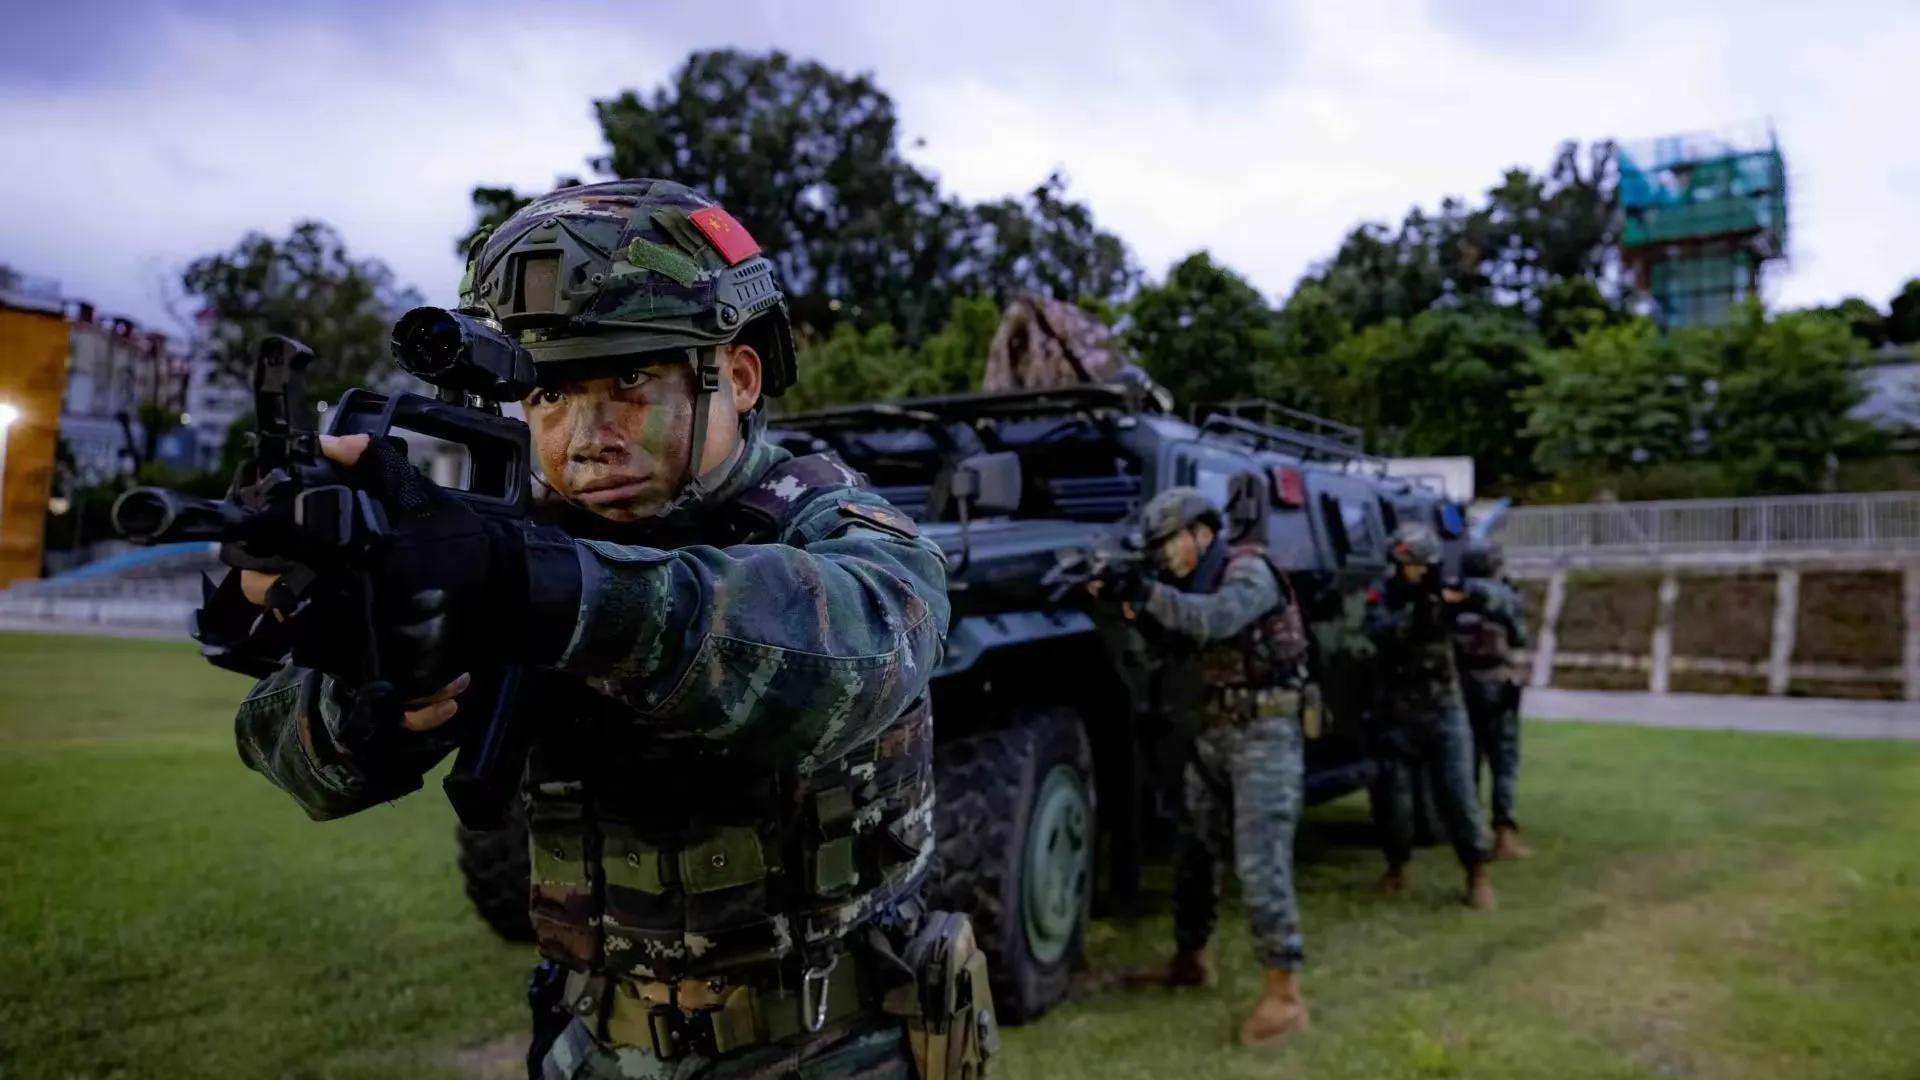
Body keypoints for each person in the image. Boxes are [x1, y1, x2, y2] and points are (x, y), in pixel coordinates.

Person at [227, 180, 996, 1080]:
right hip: (595, 1043)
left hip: (834, 1046)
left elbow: (864, 644)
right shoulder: (521, 539)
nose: (586, 438)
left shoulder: (830, 520)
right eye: (549, 396)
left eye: (630, 381)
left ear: (738, 376)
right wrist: (369, 711)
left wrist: (542, 587)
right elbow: (272, 736)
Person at [1109, 487, 1312, 1049]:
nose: (1165, 556)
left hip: (1265, 734)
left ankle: (1285, 992)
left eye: (1169, 542)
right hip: (1215, 733)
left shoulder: (1250, 571)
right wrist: (1134, 605)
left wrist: (1147, 593)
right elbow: (1174, 646)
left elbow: (1214, 621)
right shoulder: (1190, 584)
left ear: (1202, 532)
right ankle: (1191, 957)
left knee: (1260, 863)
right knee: (1193, 853)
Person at [1363, 523, 1496, 909]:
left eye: (1421, 564)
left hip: (1443, 707)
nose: (1416, 571)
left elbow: (1496, 601)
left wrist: (1463, 595)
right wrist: (1414, 615)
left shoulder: (1445, 588)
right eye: (1409, 564)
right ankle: (1397, 865)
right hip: (1398, 710)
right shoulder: (1384, 593)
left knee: (1459, 797)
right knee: (1394, 803)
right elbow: (1377, 632)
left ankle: (1477, 872)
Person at [1452, 542, 1533, 860]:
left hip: (1459, 683)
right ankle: (1504, 833)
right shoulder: (1503, 597)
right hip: (1496, 684)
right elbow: (1520, 637)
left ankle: (1469, 829)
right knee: (1504, 759)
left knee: (1466, 758)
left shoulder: (1454, 592)